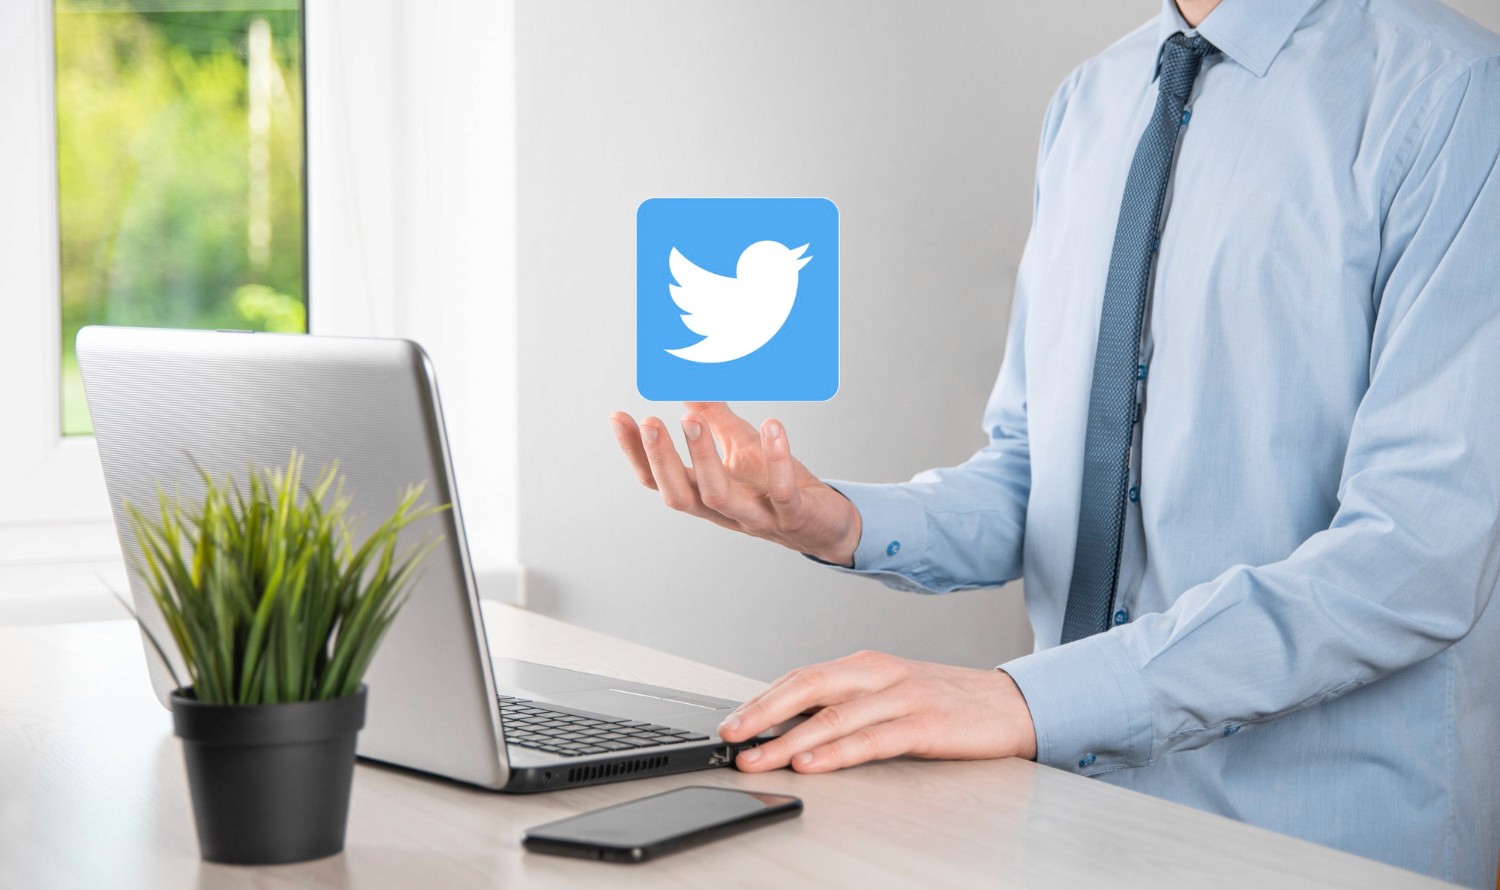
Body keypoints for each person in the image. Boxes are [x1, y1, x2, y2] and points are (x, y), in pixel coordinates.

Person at [611, 0, 1500, 884]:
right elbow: (1039, 478)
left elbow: (1417, 557)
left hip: (1315, 854)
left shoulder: (1456, 91)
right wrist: (828, 519)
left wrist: (1026, 699)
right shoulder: (1092, 100)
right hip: (1065, 824)